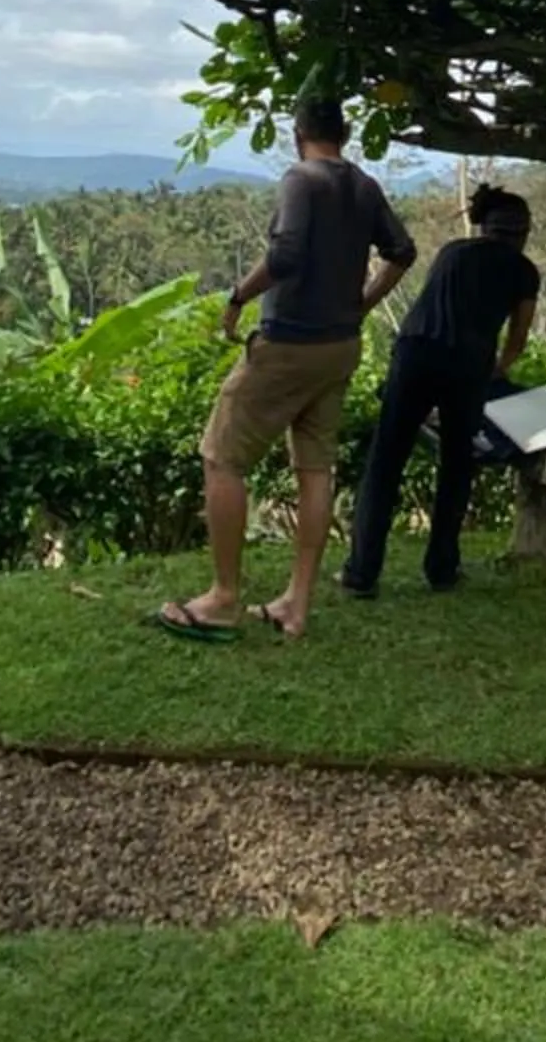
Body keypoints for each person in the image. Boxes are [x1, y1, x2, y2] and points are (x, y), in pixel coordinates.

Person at [155, 94, 416, 643]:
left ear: (298, 133)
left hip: (289, 345)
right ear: (344, 135)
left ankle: (224, 599)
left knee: (222, 458)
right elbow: (402, 251)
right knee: (314, 468)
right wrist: (361, 304)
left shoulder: (302, 179)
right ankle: (296, 605)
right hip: (339, 347)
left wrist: (236, 297)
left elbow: (287, 254)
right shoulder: (363, 186)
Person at [340, 182, 540, 598]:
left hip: (415, 354)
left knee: (385, 463)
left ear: (482, 226)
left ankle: (361, 574)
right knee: (456, 466)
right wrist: (494, 372)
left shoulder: (453, 251)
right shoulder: (524, 271)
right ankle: (442, 569)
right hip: (468, 366)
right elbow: (516, 339)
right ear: (523, 232)